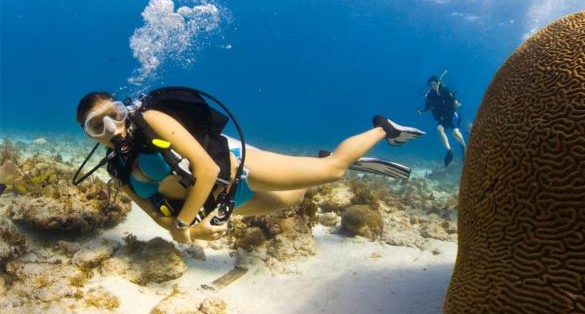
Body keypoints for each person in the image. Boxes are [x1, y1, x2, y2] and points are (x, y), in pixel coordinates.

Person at [75, 88, 424, 245]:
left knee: (333, 171)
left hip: (240, 169)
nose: (112, 129)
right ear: (89, 135)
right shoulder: (118, 170)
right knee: (294, 198)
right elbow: (156, 215)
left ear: (126, 110)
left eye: (115, 115)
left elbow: (207, 170)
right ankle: (315, 163)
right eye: (97, 126)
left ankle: (384, 128)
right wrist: (189, 231)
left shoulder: (152, 119)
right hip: (225, 202)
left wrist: (183, 225)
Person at [418, 74, 466, 167]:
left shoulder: (445, 90)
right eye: (431, 85)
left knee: (455, 133)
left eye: (434, 84)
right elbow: (427, 107)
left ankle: (464, 146)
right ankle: (449, 150)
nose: (433, 86)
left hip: (451, 115)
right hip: (443, 118)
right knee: (439, 129)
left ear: (438, 83)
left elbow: (454, 99)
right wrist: (421, 111)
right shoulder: (430, 96)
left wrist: (457, 103)